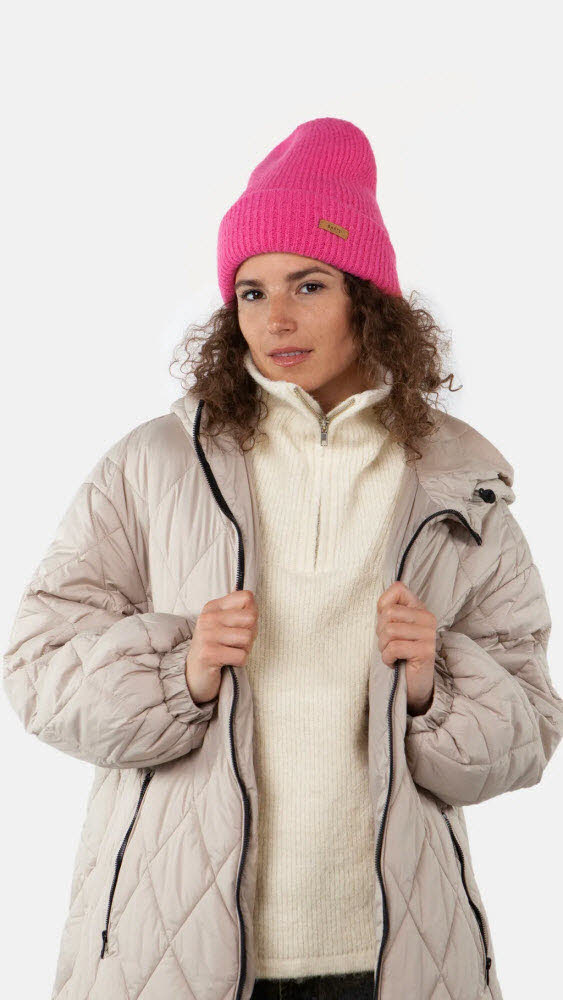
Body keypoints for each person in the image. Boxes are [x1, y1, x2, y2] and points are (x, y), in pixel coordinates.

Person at [3, 116, 563, 1000]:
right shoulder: (156, 464)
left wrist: (431, 684)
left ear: (366, 300)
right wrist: (180, 672)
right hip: (170, 949)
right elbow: (35, 667)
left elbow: (529, 728)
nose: (277, 318)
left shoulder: (459, 483)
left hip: (393, 958)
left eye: (309, 283)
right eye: (251, 291)